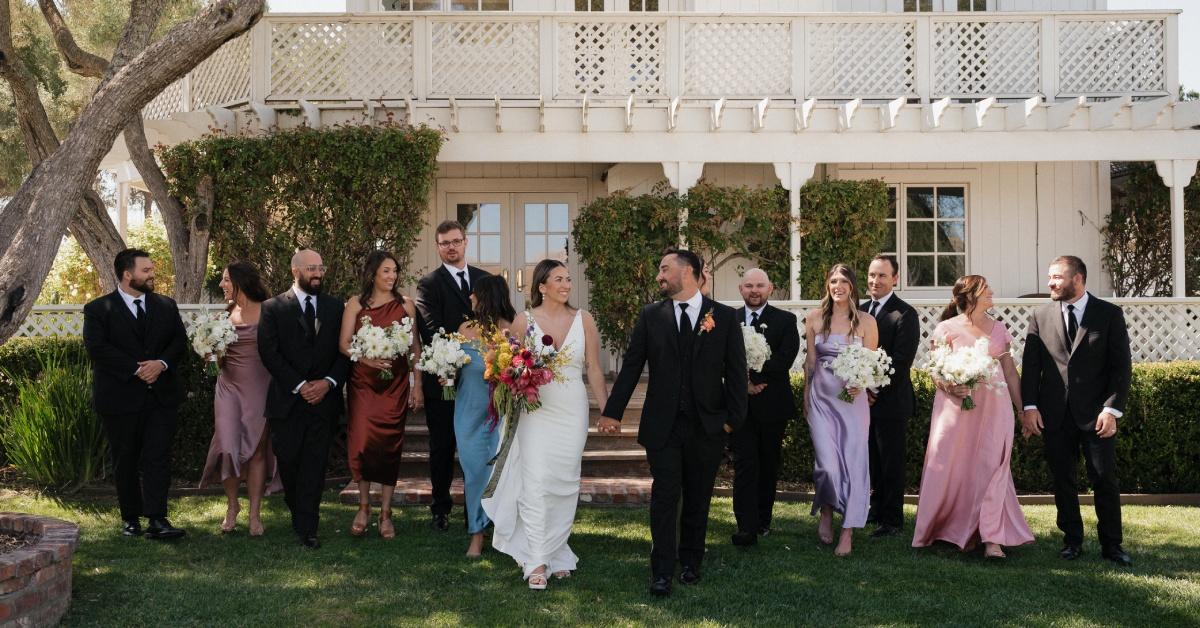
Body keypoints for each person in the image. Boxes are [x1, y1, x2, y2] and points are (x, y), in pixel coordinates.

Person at [600, 250, 747, 597]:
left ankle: (691, 561)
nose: (659, 276)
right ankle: (662, 570)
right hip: (662, 426)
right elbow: (632, 366)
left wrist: (731, 422)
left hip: (707, 427)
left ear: (689, 271)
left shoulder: (724, 317)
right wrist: (612, 412)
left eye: (664, 269)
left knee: (698, 497)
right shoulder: (651, 315)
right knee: (665, 496)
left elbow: (736, 373)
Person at [483, 260, 609, 590]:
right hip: (535, 411)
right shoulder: (524, 321)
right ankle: (537, 558)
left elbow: (594, 368)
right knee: (537, 481)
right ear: (542, 286)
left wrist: (607, 410)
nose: (566, 284)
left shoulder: (584, 319)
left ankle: (556, 549)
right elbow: (508, 366)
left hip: (572, 411)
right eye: (559, 279)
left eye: (568, 279)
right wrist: (515, 378)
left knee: (564, 483)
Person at [1021, 255, 1133, 566]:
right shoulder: (1040, 316)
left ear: (1078, 279)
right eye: (1050, 277)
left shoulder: (1108, 314)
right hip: (1054, 414)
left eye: (1057, 277)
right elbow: (1031, 367)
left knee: (1104, 478)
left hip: (1097, 414)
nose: (1050, 283)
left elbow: (1121, 367)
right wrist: (1030, 406)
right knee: (1063, 479)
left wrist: (1111, 410)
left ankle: (1112, 546)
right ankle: (1072, 541)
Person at [912, 275, 1034, 558]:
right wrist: (950, 386)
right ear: (970, 295)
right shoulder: (946, 328)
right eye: (985, 288)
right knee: (951, 467)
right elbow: (934, 370)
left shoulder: (999, 329)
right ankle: (944, 527)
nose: (991, 292)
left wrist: (1022, 411)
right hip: (955, 409)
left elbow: (1010, 373)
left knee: (992, 467)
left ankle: (991, 537)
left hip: (995, 409)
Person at [83, 248, 188, 540]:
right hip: (119, 398)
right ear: (127, 274)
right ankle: (130, 518)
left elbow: (179, 342)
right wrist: (137, 369)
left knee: (158, 457)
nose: (153, 274)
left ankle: (157, 518)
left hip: (161, 397)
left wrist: (161, 364)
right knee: (125, 459)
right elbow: (97, 348)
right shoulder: (97, 309)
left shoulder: (166, 305)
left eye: (152, 269)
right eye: (146, 270)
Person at [258, 249, 350, 549]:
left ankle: (308, 526)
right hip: (287, 402)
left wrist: (328, 383)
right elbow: (269, 353)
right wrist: (300, 385)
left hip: (324, 401)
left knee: (315, 464)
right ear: (295, 270)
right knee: (289, 462)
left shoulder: (335, 307)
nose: (318, 274)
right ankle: (299, 510)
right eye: (312, 268)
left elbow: (345, 351)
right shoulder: (272, 307)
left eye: (321, 268)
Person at [339, 251, 424, 540]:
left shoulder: (406, 304)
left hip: (395, 386)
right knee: (362, 444)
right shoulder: (356, 304)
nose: (392, 276)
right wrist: (366, 359)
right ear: (373, 273)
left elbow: (414, 348)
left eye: (395, 271)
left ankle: (386, 513)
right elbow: (344, 344)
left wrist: (417, 385)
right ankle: (364, 507)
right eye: (386, 271)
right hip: (363, 384)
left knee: (389, 446)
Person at [415, 220, 492, 531]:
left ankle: (481, 509)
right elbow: (430, 329)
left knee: (481, 445)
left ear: (465, 242)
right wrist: (457, 357)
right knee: (443, 446)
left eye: (456, 241)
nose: (451, 247)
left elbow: (496, 319)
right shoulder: (428, 284)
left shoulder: (484, 280)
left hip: (482, 378)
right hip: (444, 377)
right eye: (445, 242)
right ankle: (440, 508)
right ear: (437, 247)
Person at [199, 262, 282, 536]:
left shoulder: (270, 310)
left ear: (241, 281)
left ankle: (255, 514)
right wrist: (210, 354)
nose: (221, 284)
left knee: (257, 449)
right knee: (227, 447)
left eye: (226, 279)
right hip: (228, 388)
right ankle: (232, 505)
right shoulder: (224, 315)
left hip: (260, 386)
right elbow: (215, 356)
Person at [802, 263, 877, 557]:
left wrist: (863, 384)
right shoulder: (814, 318)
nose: (838, 286)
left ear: (853, 287)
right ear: (827, 286)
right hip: (821, 401)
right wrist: (806, 397)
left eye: (844, 281)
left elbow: (872, 365)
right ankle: (826, 509)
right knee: (827, 464)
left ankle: (848, 530)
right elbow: (810, 363)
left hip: (852, 404)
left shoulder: (867, 322)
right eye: (833, 281)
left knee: (854, 463)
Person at [730, 268, 800, 546]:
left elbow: (785, 358)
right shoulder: (729, 319)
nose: (754, 291)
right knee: (744, 464)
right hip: (740, 405)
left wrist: (756, 378)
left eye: (760, 285)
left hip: (773, 404)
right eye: (749, 286)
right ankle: (744, 524)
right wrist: (744, 384)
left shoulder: (786, 320)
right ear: (741, 289)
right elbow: (721, 360)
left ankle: (763, 521)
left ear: (770, 288)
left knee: (768, 464)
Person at [452, 275, 515, 558]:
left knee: (500, 474)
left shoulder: (510, 330)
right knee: (475, 473)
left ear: (486, 296)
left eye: (474, 293)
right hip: (468, 411)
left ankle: (503, 531)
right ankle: (476, 533)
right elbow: (455, 367)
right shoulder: (464, 329)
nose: (470, 297)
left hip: (500, 413)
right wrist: (444, 371)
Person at [859, 255, 919, 537]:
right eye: (872, 275)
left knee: (891, 461)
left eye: (882, 275)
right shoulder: (859, 311)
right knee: (871, 458)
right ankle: (875, 509)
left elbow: (901, 360)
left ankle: (893, 519)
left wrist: (873, 389)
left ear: (895, 278)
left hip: (891, 401)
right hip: (861, 401)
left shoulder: (904, 314)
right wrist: (861, 387)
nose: (875, 281)